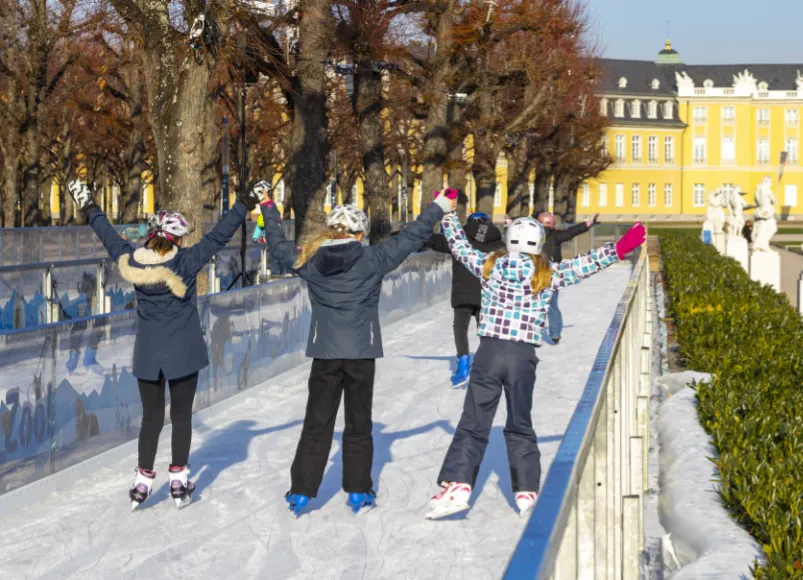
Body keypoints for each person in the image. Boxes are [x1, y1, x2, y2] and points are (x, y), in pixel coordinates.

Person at [426, 212, 645, 519]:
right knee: (520, 423)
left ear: (509, 240)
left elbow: (459, 246)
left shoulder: (489, 266)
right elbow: (585, 265)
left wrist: (448, 214)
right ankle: (526, 490)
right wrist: (619, 248)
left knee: (474, 422)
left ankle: (460, 484)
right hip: (522, 357)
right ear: (539, 242)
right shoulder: (547, 273)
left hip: (489, 352)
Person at [66, 178, 266, 510]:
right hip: (183, 353)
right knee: (182, 416)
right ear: (176, 239)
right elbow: (219, 235)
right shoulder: (186, 262)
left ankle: (142, 481)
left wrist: (88, 204)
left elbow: (107, 234)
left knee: (151, 418)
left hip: (148, 355)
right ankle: (178, 480)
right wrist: (245, 201)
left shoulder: (130, 260)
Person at [259, 188, 458, 517]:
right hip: (361, 354)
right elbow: (412, 236)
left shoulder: (308, 258)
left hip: (324, 353)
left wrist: (268, 206)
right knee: (358, 424)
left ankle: (300, 492)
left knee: (317, 424)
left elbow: (278, 246)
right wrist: (439, 204)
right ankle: (357, 490)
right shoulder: (373, 258)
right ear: (359, 233)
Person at [423, 208, 505, 387]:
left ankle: (463, 366)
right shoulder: (498, 243)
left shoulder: (459, 241)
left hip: (462, 293)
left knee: (460, 328)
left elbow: (432, 240)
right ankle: (488, 364)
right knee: (485, 330)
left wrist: (405, 234)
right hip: (486, 294)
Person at [537, 211, 599, 344]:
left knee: (531, 303)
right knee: (552, 305)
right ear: (552, 224)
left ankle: (531, 331)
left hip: (533, 272)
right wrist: (587, 224)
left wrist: (509, 223)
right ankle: (555, 334)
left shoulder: (531, 234)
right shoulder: (555, 236)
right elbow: (571, 232)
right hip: (551, 273)